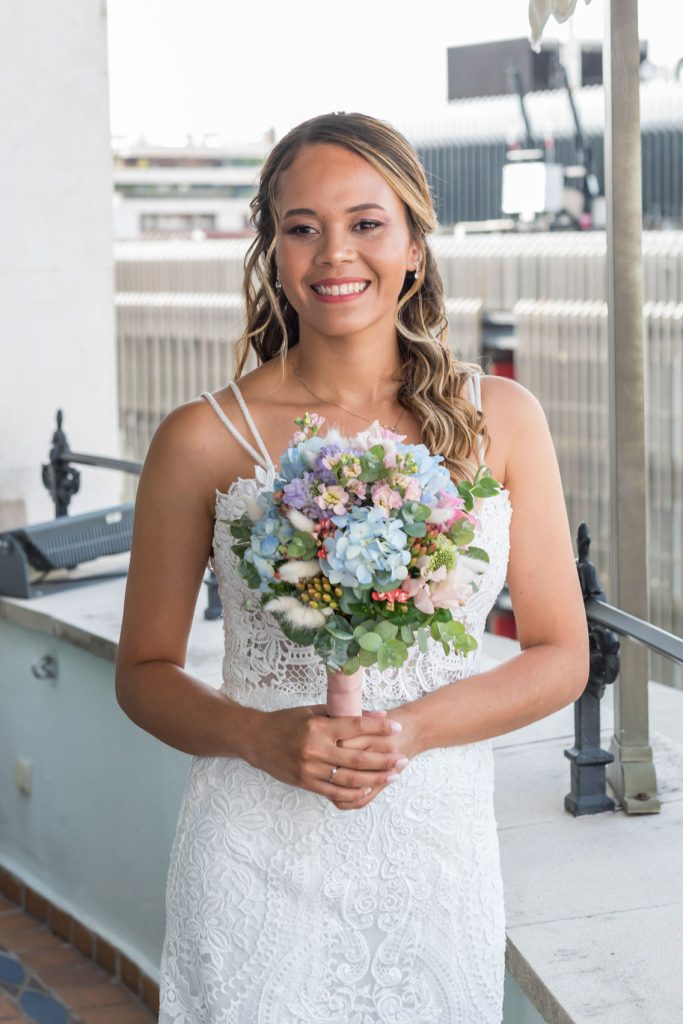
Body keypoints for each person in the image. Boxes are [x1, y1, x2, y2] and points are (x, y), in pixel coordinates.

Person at [115, 111, 589, 1023]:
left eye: (366, 223)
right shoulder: (201, 439)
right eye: (302, 228)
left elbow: (561, 653)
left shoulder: (503, 418)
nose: (335, 253)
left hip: (432, 852)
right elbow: (141, 675)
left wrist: (407, 730)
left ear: (413, 243)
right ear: (273, 251)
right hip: (253, 853)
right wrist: (257, 737)